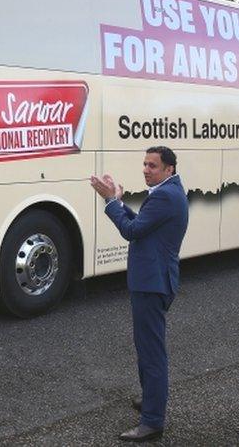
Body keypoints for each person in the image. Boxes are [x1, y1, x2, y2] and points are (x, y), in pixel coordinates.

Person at [90, 146, 189, 442]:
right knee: (147, 350)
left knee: (151, 355)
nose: (146, 169)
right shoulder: (168, 192)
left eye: (153, 166)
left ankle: (152, 422)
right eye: (144, 164)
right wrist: (119, 203)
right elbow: (142, 226)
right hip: (154, 281)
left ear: (169, 169)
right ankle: (150, 402)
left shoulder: (164, 195)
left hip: (152, 283)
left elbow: (131, 232)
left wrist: (110, 202)